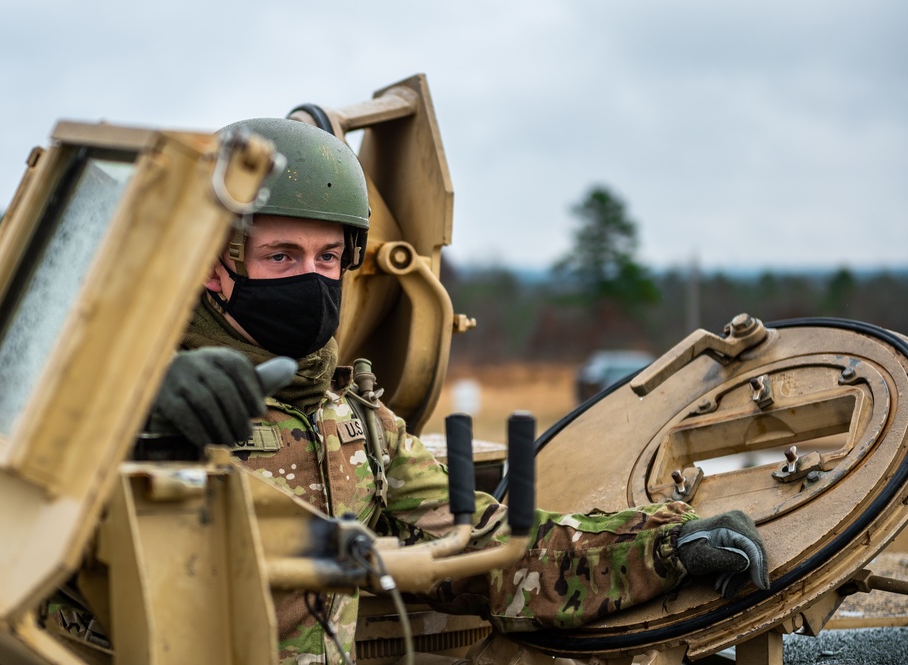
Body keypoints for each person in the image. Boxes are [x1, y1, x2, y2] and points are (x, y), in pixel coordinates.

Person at [142, 117, 769, 664]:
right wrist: (148, 415)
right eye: (281, 256)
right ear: (212, 264)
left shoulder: (360, 428)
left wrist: (665, 547)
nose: (313, 278)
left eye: (329, 257)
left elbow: (488, 554)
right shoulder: (128, 403)